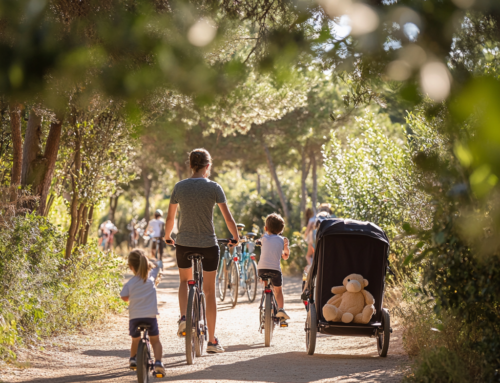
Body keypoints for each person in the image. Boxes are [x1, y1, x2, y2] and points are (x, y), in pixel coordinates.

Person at [164, 148, 239, 354]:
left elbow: (170, 219)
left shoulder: (179, 187)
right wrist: (236, 238)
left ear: (190, 165)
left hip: (184, 244)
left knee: (183, 281)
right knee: (209, 291)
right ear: (208, 166)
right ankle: (212, 341)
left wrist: (168, 236)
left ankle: (184, 317)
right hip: (208, 246)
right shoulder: (214, 187)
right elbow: (228, 219)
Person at [120, 249, 165, 375]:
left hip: (135, 318)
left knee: (135, 340)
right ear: (146, 264)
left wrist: (130, 298)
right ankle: (158, 362)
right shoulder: (151, 279)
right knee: (155, 341)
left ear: (131, 267)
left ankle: (133, 359)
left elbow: (124, 296)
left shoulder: (130, 283)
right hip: (150, 317)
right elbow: (158, 267)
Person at [257, 213, 291, 320]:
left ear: (266, 228)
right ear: (281, 230)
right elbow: (285, 256)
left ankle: (266, 292)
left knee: (265, 279)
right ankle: (281, 309)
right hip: (275, 271)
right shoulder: (282, 240)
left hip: (261, 269)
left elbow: (258, 242)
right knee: (278, 290)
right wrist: (285, 249)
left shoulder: (264, 238)